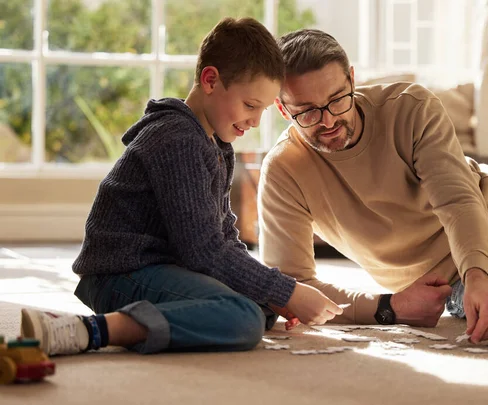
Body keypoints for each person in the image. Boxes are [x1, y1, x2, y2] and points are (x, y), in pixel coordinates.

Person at [20, 18, 343, 356]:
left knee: (261, 304)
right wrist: (288, 290)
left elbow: (224, 239)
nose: (255, 121)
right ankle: (89, 331)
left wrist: (274, 295)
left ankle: (158, 318)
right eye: (250, 105)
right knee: (242, 318)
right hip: (121, 274)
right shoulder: (178, 139)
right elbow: (203, 252)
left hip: (164, 269)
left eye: (262, 110)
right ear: (210, 80)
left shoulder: (216, 145)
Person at [258, 28, 488, 344]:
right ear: (283, 108)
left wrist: (479, 274)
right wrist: (387, 307)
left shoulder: (409, 106)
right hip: (457, 281)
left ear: (351, 78)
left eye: (337, 100)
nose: (329, 120)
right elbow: (291, 286)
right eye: (307, 112)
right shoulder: (283, 172)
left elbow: (456, 199)